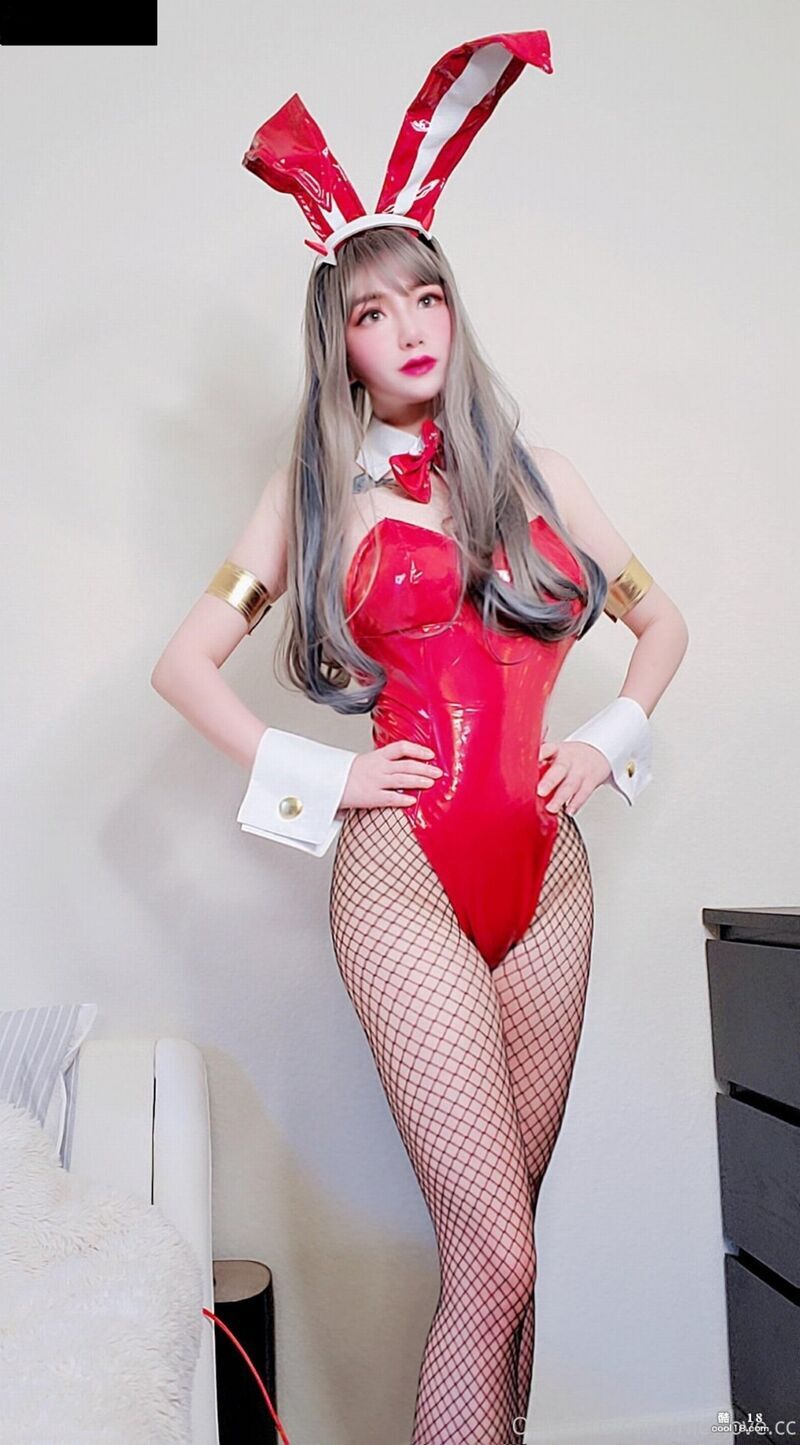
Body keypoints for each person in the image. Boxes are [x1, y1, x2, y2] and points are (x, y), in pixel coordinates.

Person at [151, 30, 689, 1445]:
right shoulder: (312, 497)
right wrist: (326, 777)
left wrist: (612, 733)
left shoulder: (544, 479)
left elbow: (663, 625)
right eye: (374, 311)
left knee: (512, 1257)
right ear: (339, 341)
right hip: (402, 875)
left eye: (428, 297)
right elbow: (184, 666)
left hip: (549, 877)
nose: (409, 328)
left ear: (455, 311)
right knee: (494, 1253)